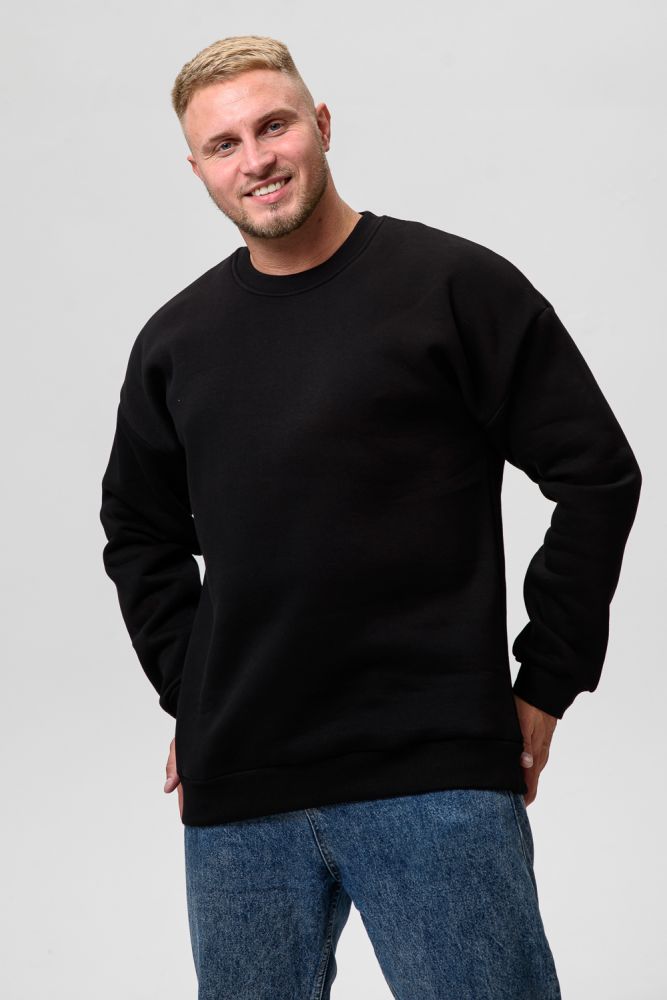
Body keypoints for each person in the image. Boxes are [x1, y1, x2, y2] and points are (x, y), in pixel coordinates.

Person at [99, 34, 642, 1000]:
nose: (255, 159)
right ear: (198, 169)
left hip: (432, 780)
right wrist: (194, 694)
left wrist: (547, 678)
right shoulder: (176, 342)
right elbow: (138, 531)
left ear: (320, 124)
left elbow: (596, 475)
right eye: (224, 144)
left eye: (273, 126)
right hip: (242, 798)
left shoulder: (452, 288)